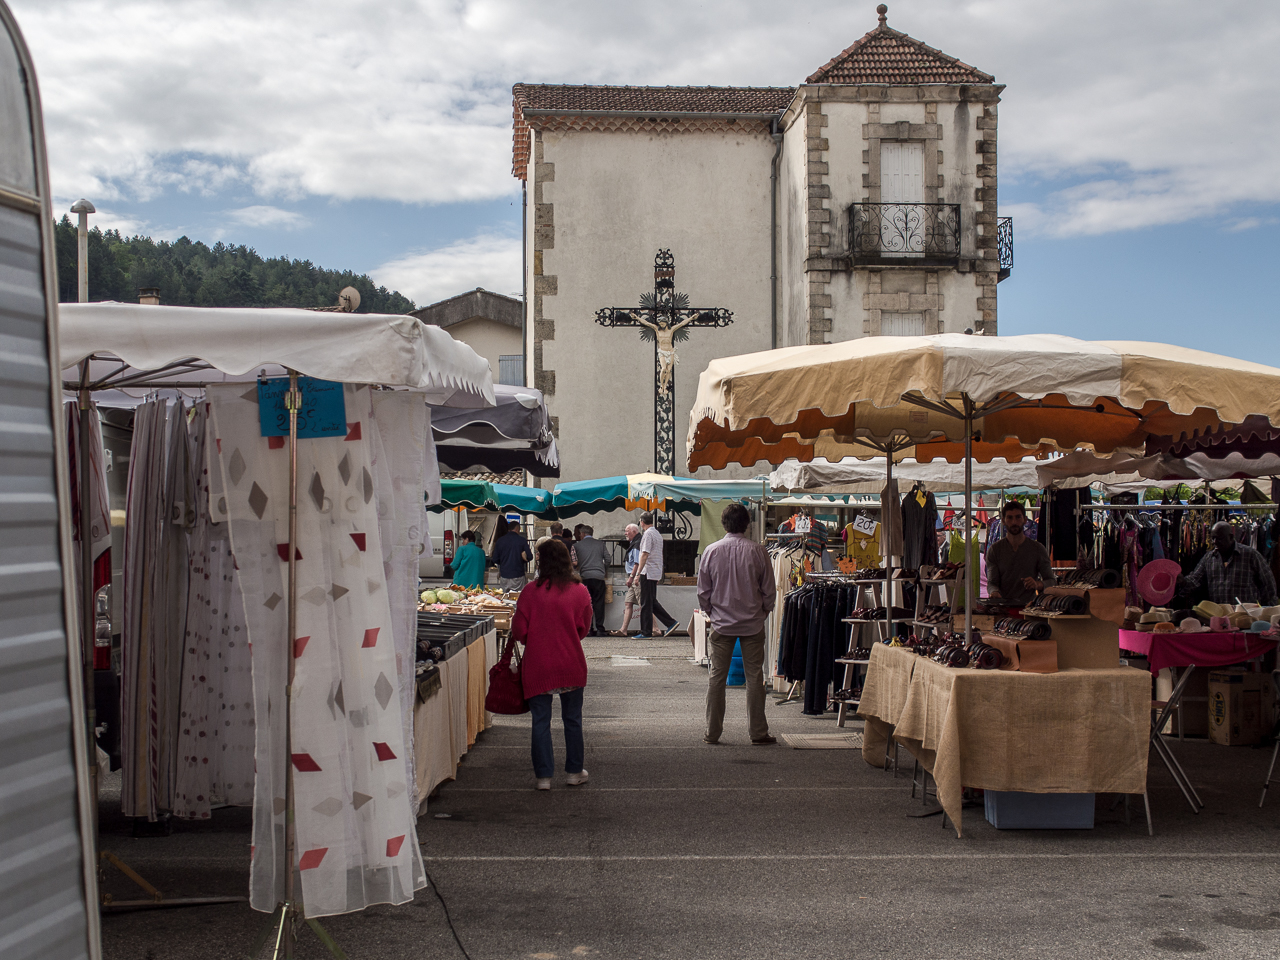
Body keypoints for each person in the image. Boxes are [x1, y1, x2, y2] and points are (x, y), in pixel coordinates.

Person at [512, 539, 593, 790]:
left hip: (538, 665)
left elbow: (518, 631)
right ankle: (573, 771)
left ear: (542, 561)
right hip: (570, 663)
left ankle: (544, 777)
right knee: (573, 720)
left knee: (540, 721)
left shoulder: (529, 592)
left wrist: (536, 639)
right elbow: (584, 627)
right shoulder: (580, 591)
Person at [698, 503, 777, 745]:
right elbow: (769, 591)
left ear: (724, 524)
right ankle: (758, 732)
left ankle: (712, 732)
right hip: (752, 623)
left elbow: (703, 591)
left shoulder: (711, 551)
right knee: (754, 677)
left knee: (717, 678)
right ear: (747, 524)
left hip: (722, 624)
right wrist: (763, 611)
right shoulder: (758, 551)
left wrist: (711, 612)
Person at [1179, 520, 1278, 605]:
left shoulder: (1251, 555)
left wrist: (1267, 612)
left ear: (1231, 537)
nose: (1215, 541)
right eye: (1213, 538)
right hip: (1219, 618)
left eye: (1219, 538)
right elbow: (1195, 580)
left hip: (1246, 616)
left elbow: (1268, 586)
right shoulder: (1209, 558)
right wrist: (1182, 581)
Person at [985, 501, 1054, 605]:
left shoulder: (1038, 549)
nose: (1014, 522)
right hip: (1003, 609)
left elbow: (1051, 582)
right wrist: (994, 592)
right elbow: (992, 583)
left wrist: (1037, 584)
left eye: (1018, 517)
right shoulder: (995, 550)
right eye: (1010, 518)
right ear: (1003, 521)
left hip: (1029, 609)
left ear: (1025, 520)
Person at [626, 512, 679, 638]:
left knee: (645, 602)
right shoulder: (656, 533)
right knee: (651, 601)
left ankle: (646, 632)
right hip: (655, 570)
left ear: (642, 522)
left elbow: (644, 554)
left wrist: (638, 573)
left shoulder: (648, 534)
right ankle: (670, 622)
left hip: (647, 571)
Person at [571, 524, 609, 636]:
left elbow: (574, 563)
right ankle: (600, 629)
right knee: (599, 603)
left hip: (585, 577)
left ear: (582, 534)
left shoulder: (577, 546)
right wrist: (603, 569)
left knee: (587, 604)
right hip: (598, 577)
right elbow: (608, 559)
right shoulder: (601, 544)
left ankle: (588, 629)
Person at [610, 523, 642, 636]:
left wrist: (632, 577)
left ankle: (655, 628)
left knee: (643, 604)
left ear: (634, 532)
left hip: (635, 578)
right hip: (632, 578)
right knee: (628, 603)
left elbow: (638, 563)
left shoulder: (637, 544)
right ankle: (623, 630)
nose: (625, 533)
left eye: (627, 531)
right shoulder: (634, 543)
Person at [492, 519, 532, 593]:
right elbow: (530, 556)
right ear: (517, 529)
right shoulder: (522, 540)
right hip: (518, 575)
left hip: (504, 575)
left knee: (504, 598)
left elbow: (495, 559)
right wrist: (523, 559)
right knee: (518, 598)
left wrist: (503, 562)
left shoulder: (500, 541)